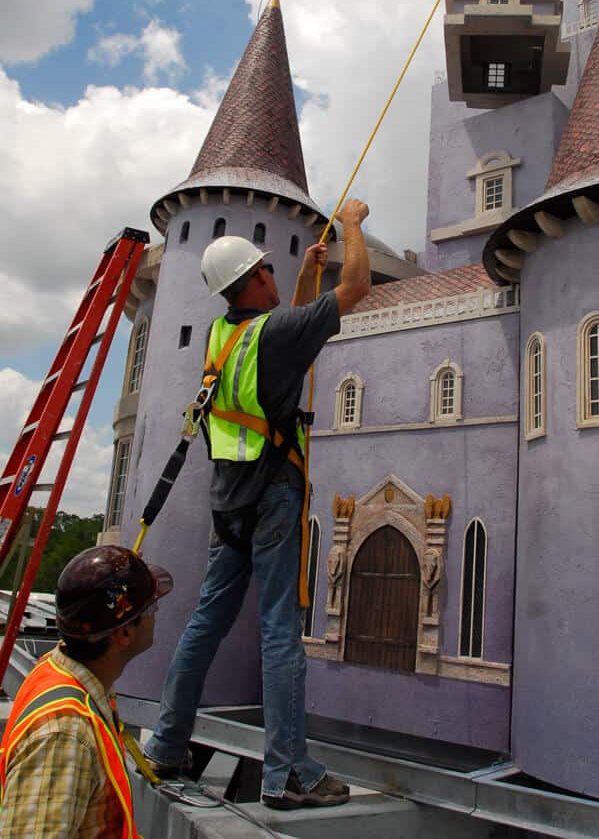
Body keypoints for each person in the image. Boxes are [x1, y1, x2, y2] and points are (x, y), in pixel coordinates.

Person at [144, 198, 370, 810]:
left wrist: (304, 276)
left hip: (228, 498)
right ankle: (289, 771)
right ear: (253, 279)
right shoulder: (278, 334)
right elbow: (356, 287)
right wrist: (352, 222)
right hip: (272, 494)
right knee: (278, 631)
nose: (276, 274)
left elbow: (284, 328)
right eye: (269, 269)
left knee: (204, 623)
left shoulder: (224, 335)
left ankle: (166, 747)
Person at [0, 545, 173, 838]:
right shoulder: (65, 735)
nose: (156, 614)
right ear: (125, 633)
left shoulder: (64, 670)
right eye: (151, 608)